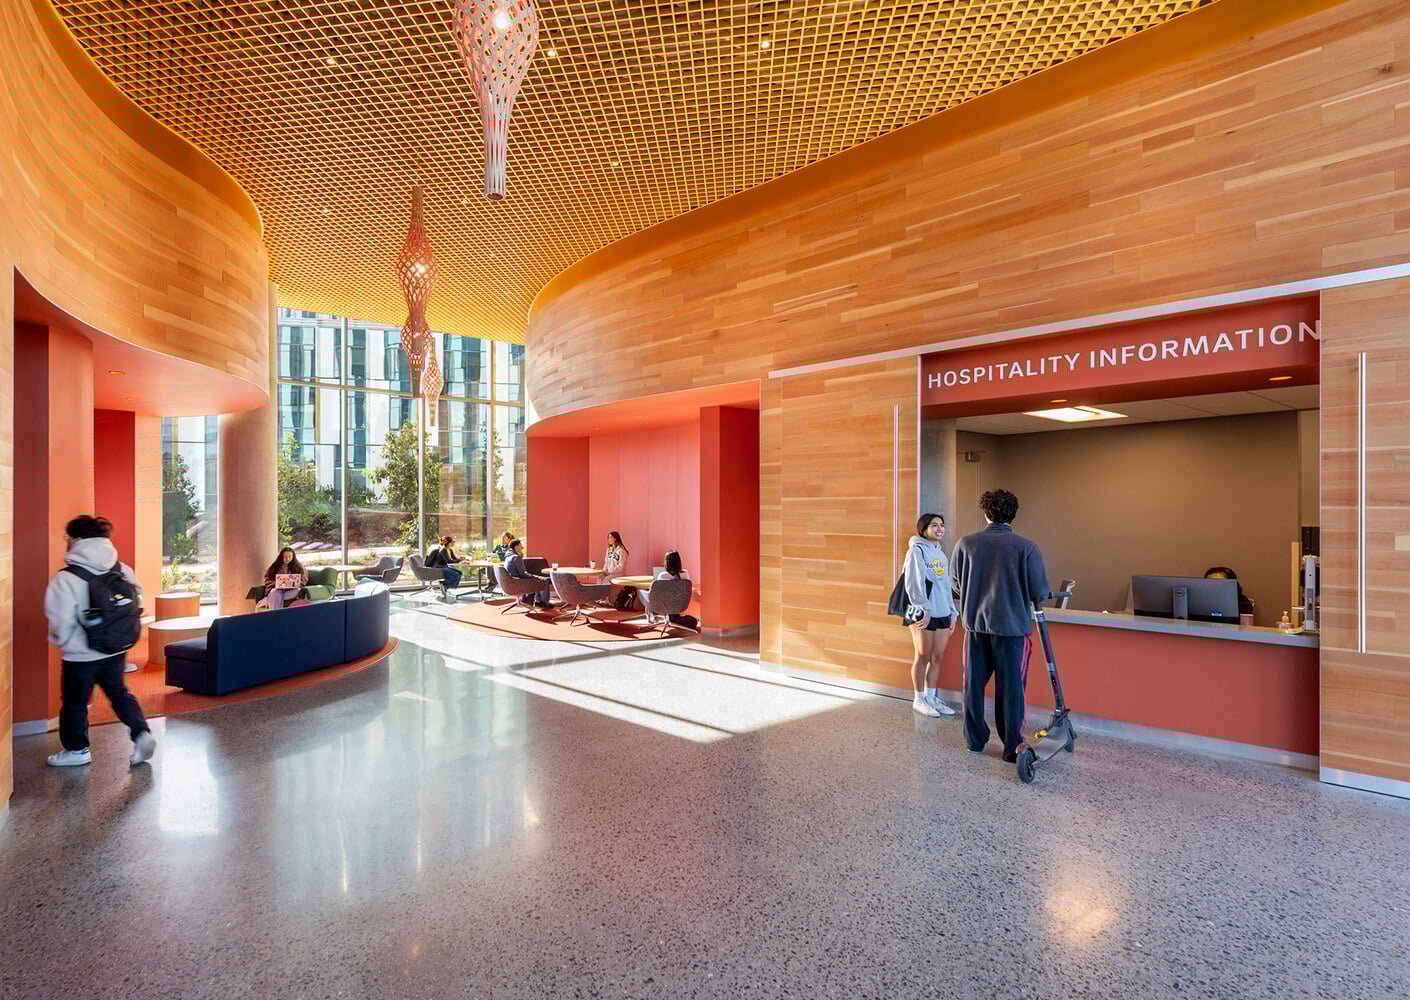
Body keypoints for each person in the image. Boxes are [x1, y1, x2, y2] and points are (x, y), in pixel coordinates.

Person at [44, 515, 155, 767]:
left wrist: (62, 640)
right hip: (116, 648)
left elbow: (60, 621)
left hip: (80, 655)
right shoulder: (122, 568)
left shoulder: (66, 578)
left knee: (75, 702)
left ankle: (77, 750)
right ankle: (141, 733)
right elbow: (137, 601)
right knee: (119, 693)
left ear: (77, 539)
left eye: (68, 538)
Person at [950, 489, 1050, 764]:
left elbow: (956, 585)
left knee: (972, 686)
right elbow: (1039, 590)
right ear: (1013, 515)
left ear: (985, 513)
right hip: (1012, 631)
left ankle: (974, 741)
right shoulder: (1027, 548)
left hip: (976, 628)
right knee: (1011, 690)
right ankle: (1011, 749)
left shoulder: (965, 544)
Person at [901, 513, 958, 718]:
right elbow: (913, 583)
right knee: (923, 656)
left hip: (942, 611)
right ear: (923, 528)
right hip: (923, 614)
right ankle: (919, 699)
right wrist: (923, 608)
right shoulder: (916, 551)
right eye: (934, 525)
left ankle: (931, 697)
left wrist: (953, 613)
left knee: (937, 657)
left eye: (942, 525)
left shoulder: (941, 554)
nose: (939, 529)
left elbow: (945, 586)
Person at [503, 538, 552, 609]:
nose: (522, 548)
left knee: (538, 580)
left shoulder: (508, 557)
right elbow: (523, 574)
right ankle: (543, 603)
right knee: (544, 581)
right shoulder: (516, 557)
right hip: (518, 583)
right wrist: (535, 576)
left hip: (511, 583)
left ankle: (538, 601)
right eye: (520, 546)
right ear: (516, 547)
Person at [602, 530, 632, 606]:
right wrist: (604, 571)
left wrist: (609, 572)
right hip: (609, 573)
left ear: (615, 538)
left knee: (606, 579)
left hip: (619, 574)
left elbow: (621, 566)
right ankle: (601, 598)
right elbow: (606, 562)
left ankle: (606, 599)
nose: (608, 539)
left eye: (610, 537)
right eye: (608, 538)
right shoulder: (609, 549)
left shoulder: (622, 550)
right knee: (600, 578)